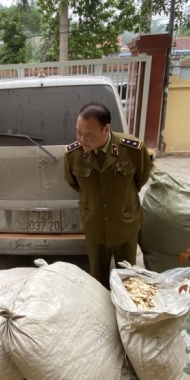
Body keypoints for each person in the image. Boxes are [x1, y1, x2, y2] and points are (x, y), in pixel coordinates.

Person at [63, 102, 152, 288]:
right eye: (78, 132)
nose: (81, 139)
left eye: (88, 135)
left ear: (106, 129)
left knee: (128, 278)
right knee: (97, 278)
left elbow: (140, 179)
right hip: (95, 223)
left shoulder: (133, 149)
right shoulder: (74, 154)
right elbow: (74, 183)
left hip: (124, 222)